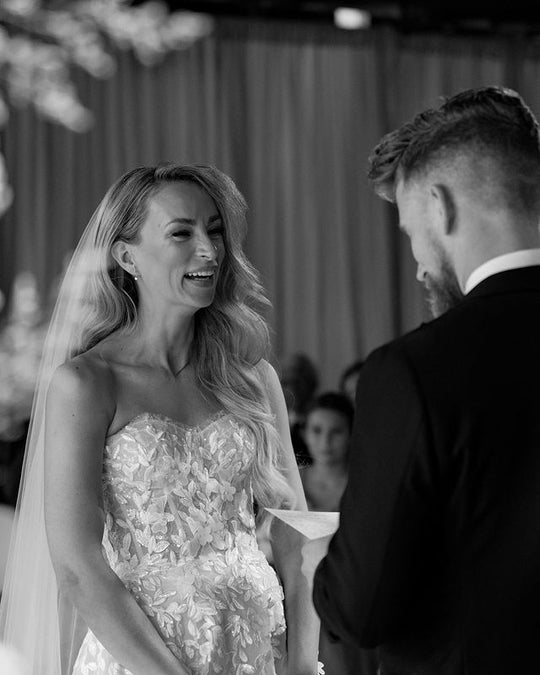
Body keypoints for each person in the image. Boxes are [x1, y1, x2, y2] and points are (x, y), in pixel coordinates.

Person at [0, 164, 320, 674]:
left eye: (215, 231)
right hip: (142, 658)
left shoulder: (253, 379)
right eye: (182, 233)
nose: (209, 251)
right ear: (127, 256)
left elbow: (294, 533)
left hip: (260, 650)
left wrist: (304, 664)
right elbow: (78, 566)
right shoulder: (87, 383)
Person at [312, 86, 540, 674]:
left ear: (441, 207)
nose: (416, 263)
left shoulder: (415, 371)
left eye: (412, 232)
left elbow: (363, 608)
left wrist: (314, 564)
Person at [300, 392, 353, 512]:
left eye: (336, 432)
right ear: (305, 433)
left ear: (351, 434)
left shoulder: (365, 486)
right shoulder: (289, 482)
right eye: (316, 430)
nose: (325, 442)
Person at [279, 353, 319, 466]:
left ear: (311, 383)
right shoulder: (273, 418)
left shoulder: (323, 415)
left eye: (297, 382)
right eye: (286, 383)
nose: (292, 389)